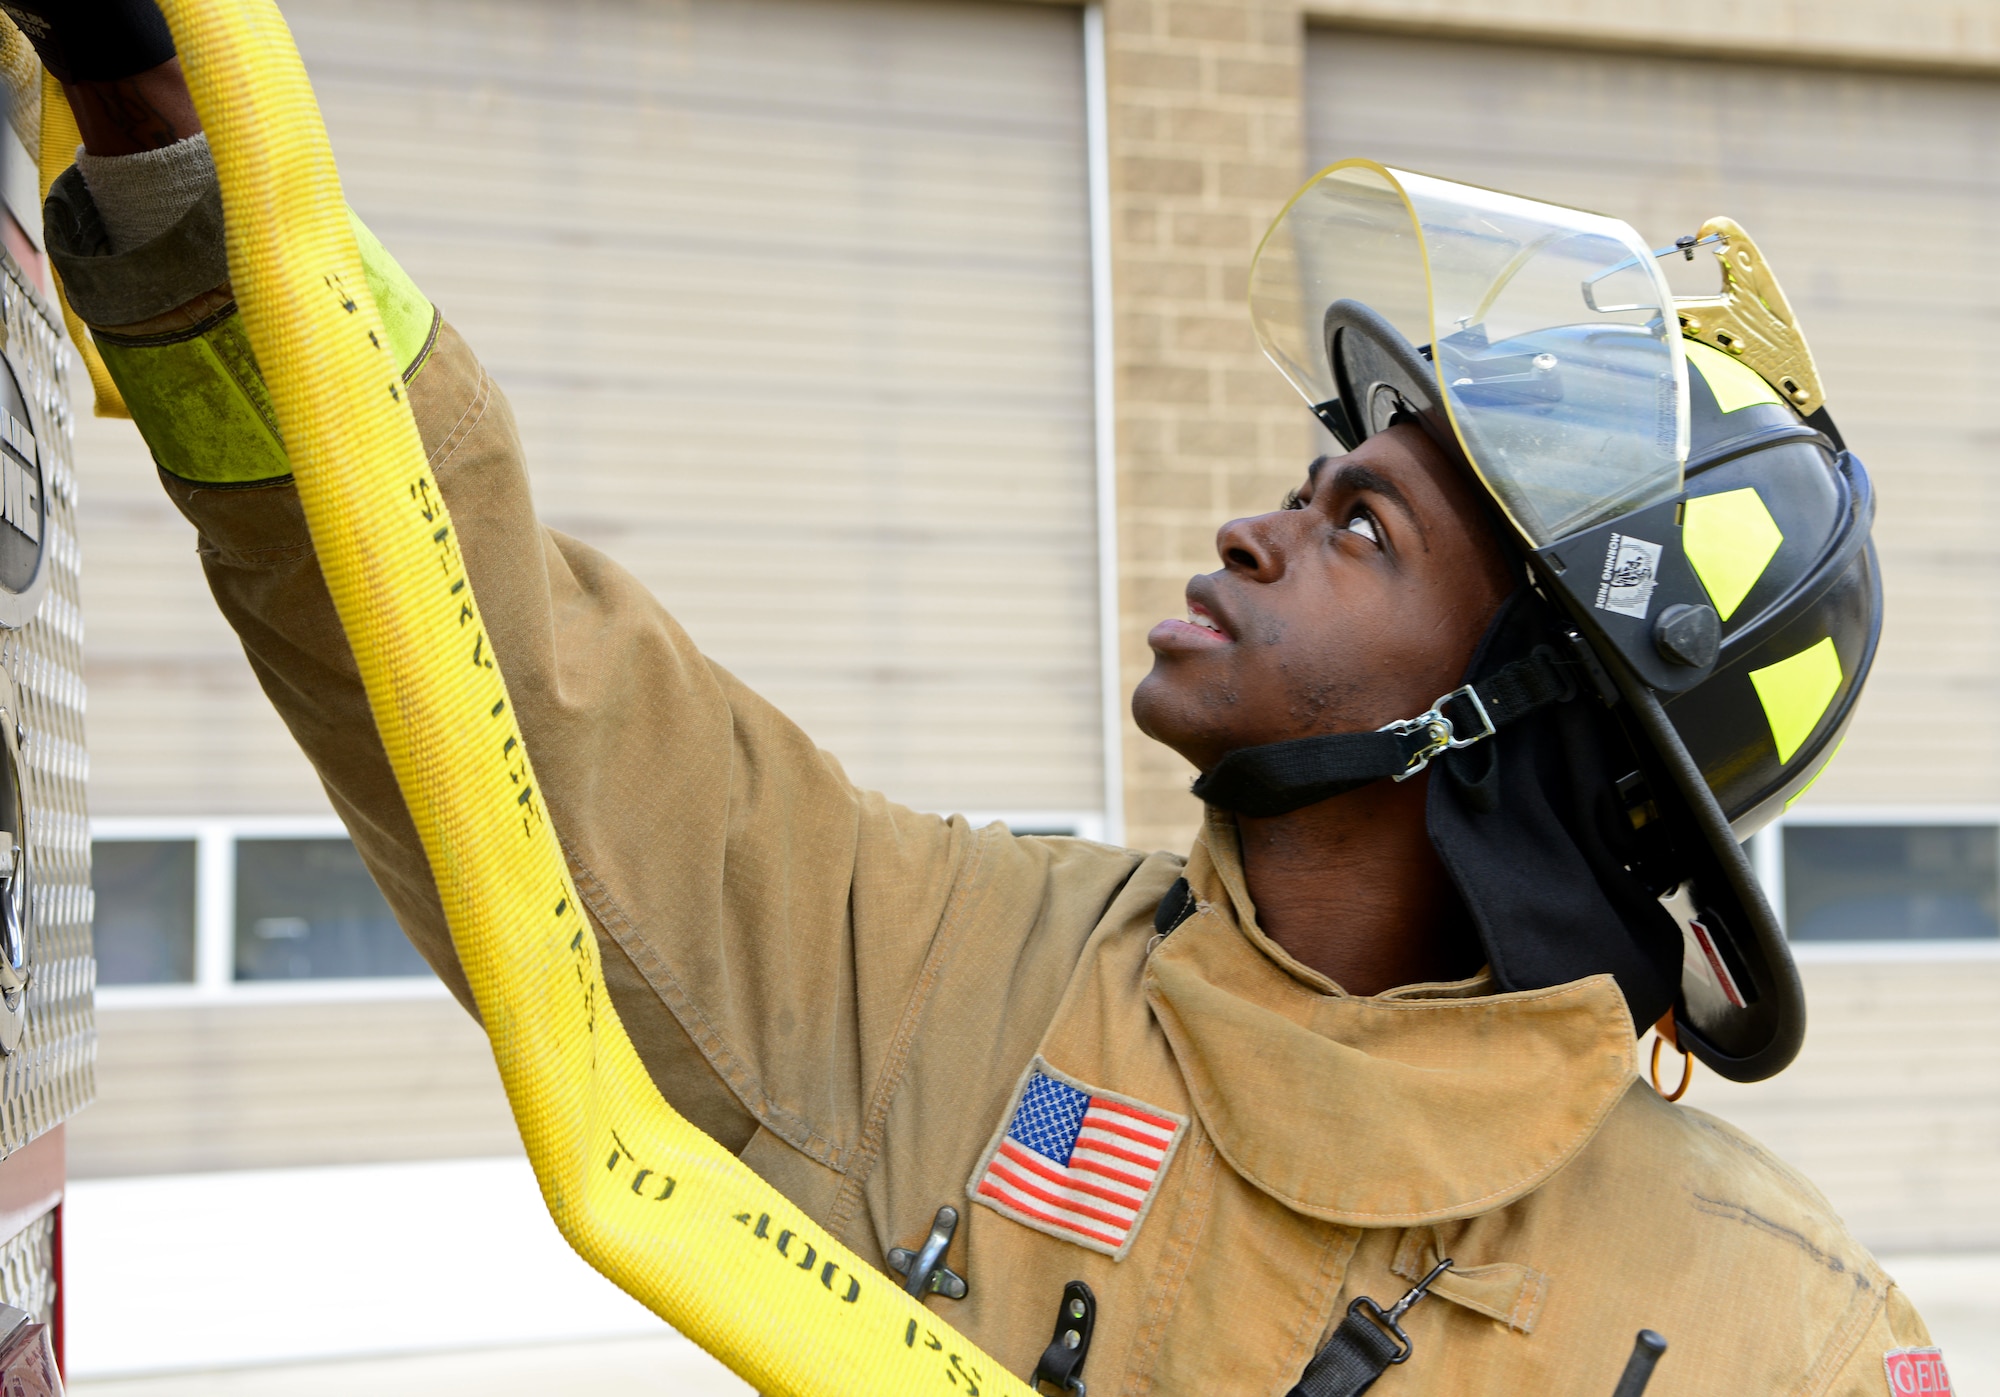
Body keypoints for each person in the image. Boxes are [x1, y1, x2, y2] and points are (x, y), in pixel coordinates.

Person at [15, 4, 1946, 1393]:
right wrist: (178, 136)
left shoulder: (1775, 1332)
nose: (1255, 533)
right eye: (1308, 486)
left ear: (1528, 729)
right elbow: (504, 684)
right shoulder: (959, 982)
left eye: (1361, 528)